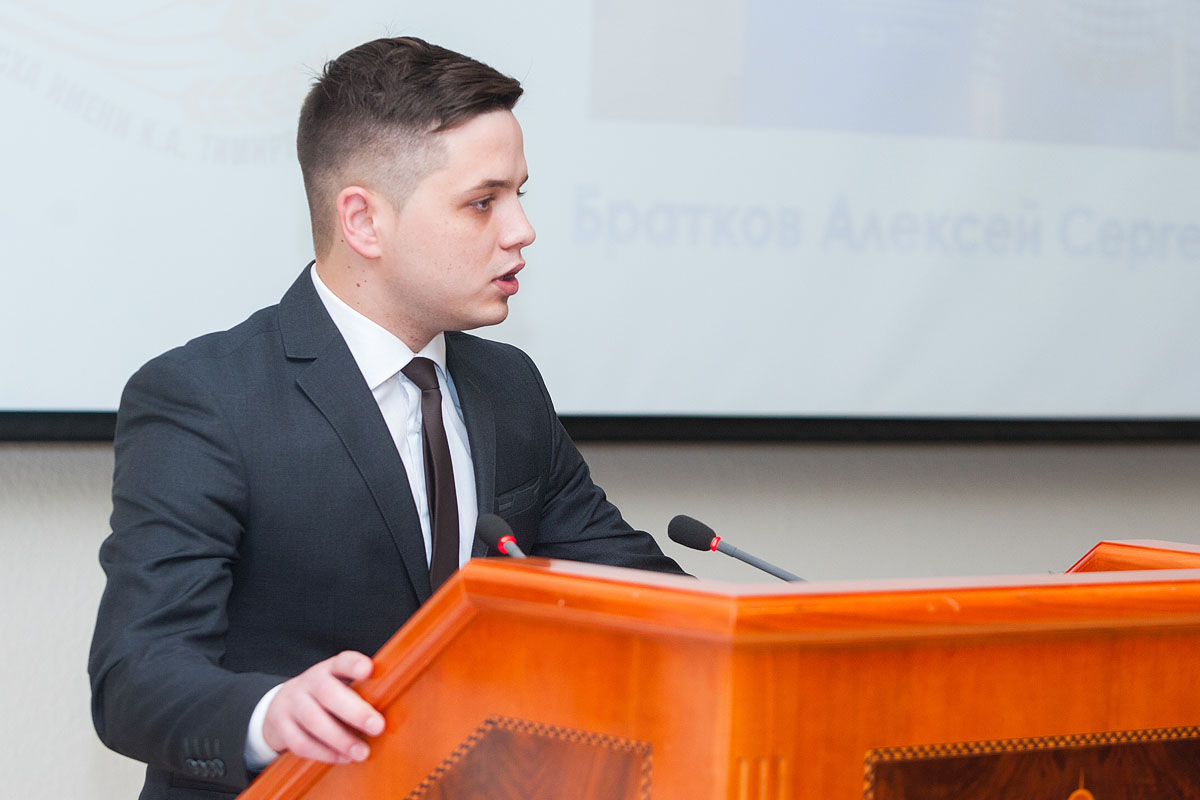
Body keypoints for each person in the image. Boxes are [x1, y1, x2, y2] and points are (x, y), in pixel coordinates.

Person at [88, 36, 684, 800]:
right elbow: (135, 675)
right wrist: (272, 715)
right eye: (483, 201)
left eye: (519, 195)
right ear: (364, 222)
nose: (521, 230)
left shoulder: (508, 387)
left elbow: (641, 593)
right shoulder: (205, 398)